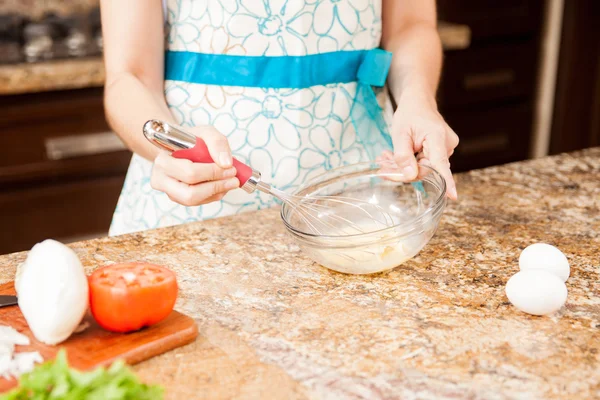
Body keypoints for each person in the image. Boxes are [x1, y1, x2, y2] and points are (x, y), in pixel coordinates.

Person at [100, 0, 459, 236]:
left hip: (359, 201)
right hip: (196, 208)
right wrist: (164, 144)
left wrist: (417, 100)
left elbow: (410, 25)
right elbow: (128, 76)